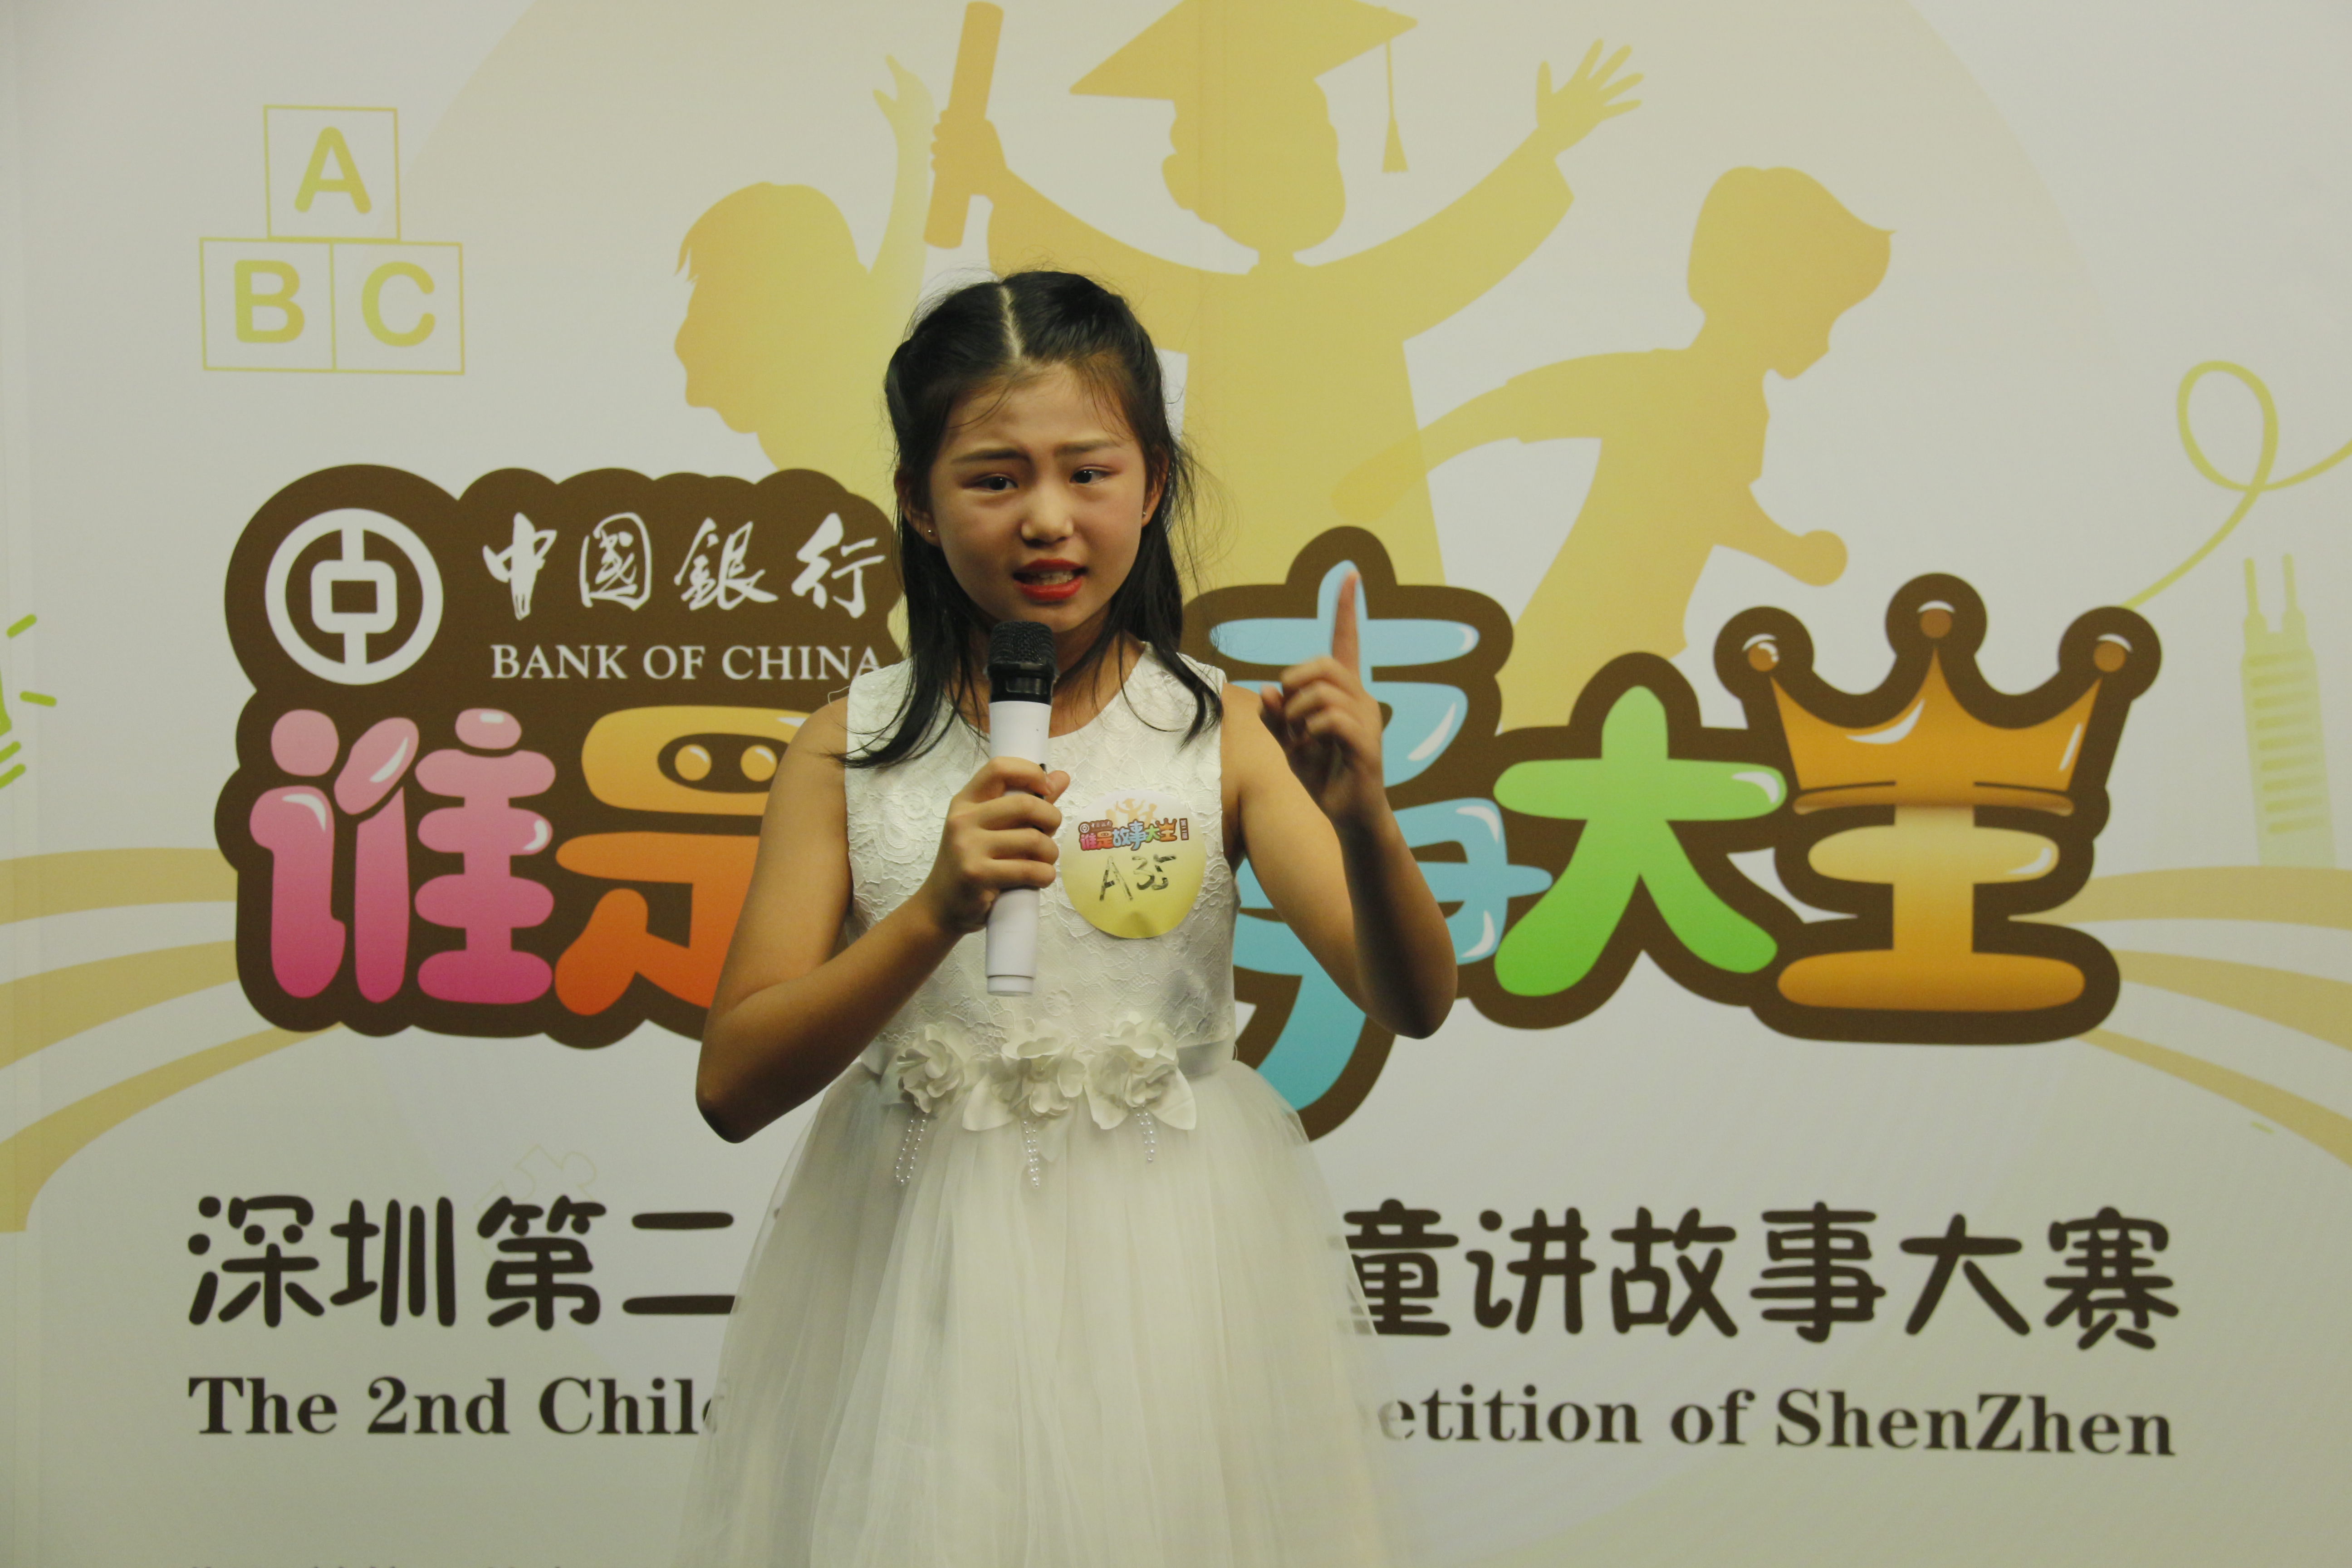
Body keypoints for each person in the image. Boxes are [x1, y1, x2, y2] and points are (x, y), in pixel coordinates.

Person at [673, 270, 1456, 1567]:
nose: (1047, 517)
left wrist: (1367, 818)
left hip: (1171, 1261)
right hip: (913, 1266)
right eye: (994, 478)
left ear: (1152, 486)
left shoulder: (1223, 733)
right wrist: (934, 912)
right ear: (916, 501)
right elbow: (731, 1083)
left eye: (1088, 472)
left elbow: (1413, 999)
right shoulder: (846, 745)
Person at [1334, 166, 1890, 729]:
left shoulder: (1742, 407)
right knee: (1541, 735)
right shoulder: (1664, 385)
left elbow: (1710, 505)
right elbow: (1516, 407)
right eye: (1819, 316)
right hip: (1582, 631)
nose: (1823, 341)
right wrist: (1401, 464)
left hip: (1637, 637)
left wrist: (1789, 553)